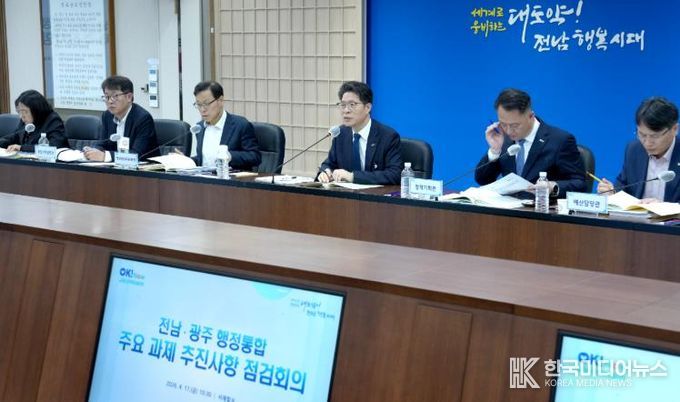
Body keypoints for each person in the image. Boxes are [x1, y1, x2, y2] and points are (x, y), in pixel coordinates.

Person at [474, 88, 586, 197]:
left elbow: (580, 184)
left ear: (531, 116)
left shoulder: (560, 140)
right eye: (503, 124)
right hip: (508, 207)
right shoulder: (503, 138)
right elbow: (483, 180)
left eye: (515, 125)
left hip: (541, 207)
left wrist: (553, 187)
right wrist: (495, 151)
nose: (508, 131)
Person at [318, 81, 402, 184]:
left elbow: (394, 174)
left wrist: (353, 177)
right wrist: (325, 172)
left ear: (367, 108)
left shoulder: (388, 136)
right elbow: (328, 164)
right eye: (343, 105)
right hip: (345, 193)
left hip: (375, 194)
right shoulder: (340, 134)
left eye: (352, 105)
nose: (346, 110)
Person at [597, 97, 680, 203]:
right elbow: (623, 186)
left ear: (674, 129)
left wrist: (663, 207)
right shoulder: (634, 150)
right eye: (642, 135)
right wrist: (612, 193)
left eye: (655, 136)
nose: (647, 143)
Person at [84, 75, 159, 161]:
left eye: (115, 96)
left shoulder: (143, 119)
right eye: (107, 96)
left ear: (129, 97)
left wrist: (105, 156)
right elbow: (102, 143)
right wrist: (93, 151)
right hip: (115, 166)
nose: (110, 101)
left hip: (143, 167)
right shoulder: (107, 116)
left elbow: (137, 154)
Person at [191, 81, 261, 170]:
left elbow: (255, 157)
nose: (202, 109)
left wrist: (230, 156)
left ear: (220, 100)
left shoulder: (240, 125)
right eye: (199, 104)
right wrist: (186, 160)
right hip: (204, 178)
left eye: (207, 103)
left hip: (229, 177)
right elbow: (204, 159)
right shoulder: (200, 127)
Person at [0, 90, 68, 152]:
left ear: (36, 110)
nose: (21, 116)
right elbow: (15, 136)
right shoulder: (25, 120)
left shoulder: (53, 120)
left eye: (25, 111)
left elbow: (54, 146)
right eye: (19, 112)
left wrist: (21, 148)